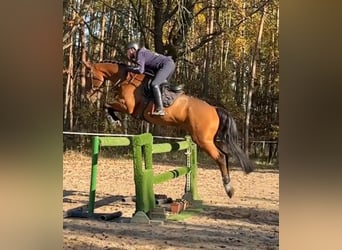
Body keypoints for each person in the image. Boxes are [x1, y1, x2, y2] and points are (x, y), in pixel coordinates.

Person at [126, 41, 176, 116]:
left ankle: (160, 109)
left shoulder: (140, 53)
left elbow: (140, 70)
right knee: (160, 86)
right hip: (169, 64)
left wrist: (128, 69)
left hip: (167, 65)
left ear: (133, 49)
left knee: (155, 84)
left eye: (128, 51)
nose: (127, 53)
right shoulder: (142, 53)